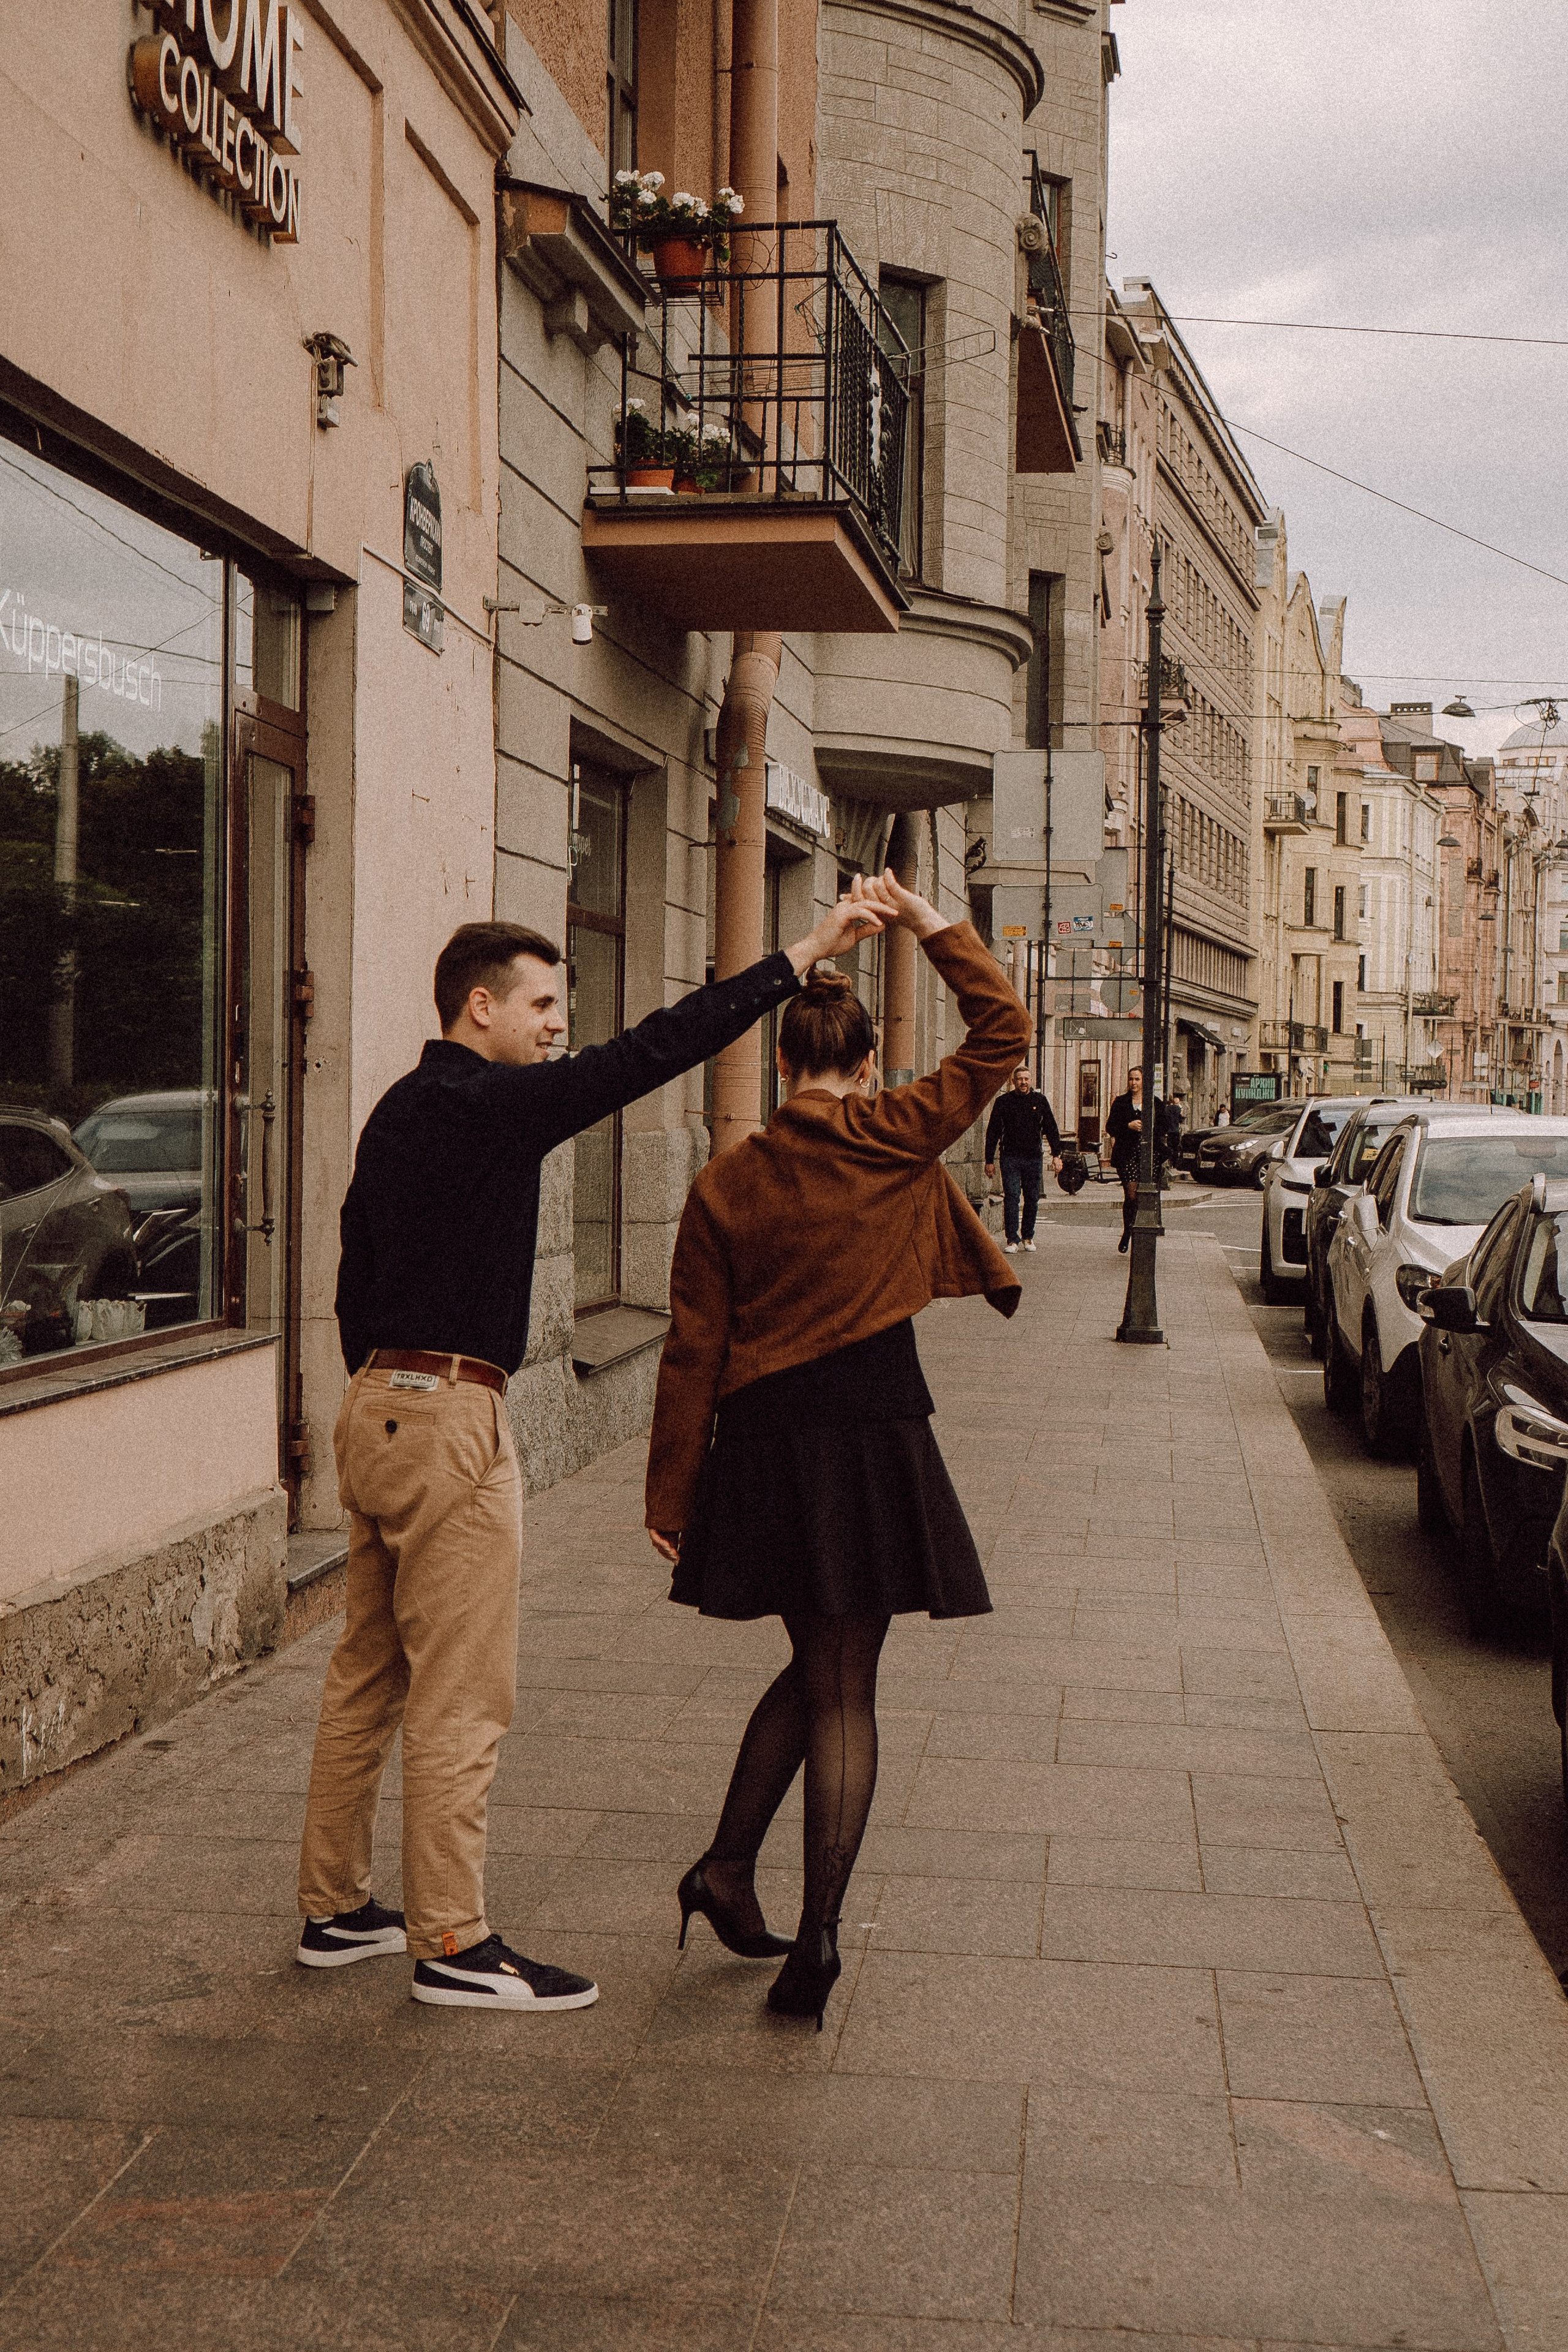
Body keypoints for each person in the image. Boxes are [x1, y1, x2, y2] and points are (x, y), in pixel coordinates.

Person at [295, 888, 886, 2011]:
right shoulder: (494, 1105)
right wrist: (800, 954)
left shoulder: (398, 1109)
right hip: (451, 1415)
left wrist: (384, 1389)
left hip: (375, 1405)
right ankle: (453, 1943)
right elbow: (657, 1050)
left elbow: (351, 1269)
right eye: (544, 1004)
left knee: (364, 1673)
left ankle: (334, 1908)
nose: (559, 1025)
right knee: (464, 1696)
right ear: (482, 1008)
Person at [644, 873, 1029, 2030]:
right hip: (872, 1432)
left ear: (778, 1067)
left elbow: (688, 1352)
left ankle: (723, 1871)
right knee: (845, 1678)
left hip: (766, 1443)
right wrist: (924, 922)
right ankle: (816, 1933)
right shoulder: (896, 1132)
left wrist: (671, 1491)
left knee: (823, 1663)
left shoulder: (727, 1181)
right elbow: (1003, 1032)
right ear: (865, 1066)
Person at [983, 1063, 1063, 1253]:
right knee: (1011, 1196)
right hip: (1010, 1157)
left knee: (1032, 1198)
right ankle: (1012, 1239)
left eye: (1026, 1079)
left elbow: (1052, 1129)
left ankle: (1028, 1237)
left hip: (1033, 1157)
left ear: (1031, 1081)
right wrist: (989, 1160)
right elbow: (992, 1132)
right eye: (1020, 1079)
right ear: (1013, 1082)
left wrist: (1056, 1155)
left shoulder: (1040, 1101)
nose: (1023, 1082)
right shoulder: (1004, 1102)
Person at [1105, 1064, 1147, 1253]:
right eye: (1131, 1079)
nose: (1134, 1083)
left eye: (1137, 1079)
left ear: (1144, 1081)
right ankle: (1127, 1231)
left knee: (1143, 1196)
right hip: (1127, 1154)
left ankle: (1139, 1232)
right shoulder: (1121, 1102)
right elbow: (1110, 1127)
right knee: (1131, 1194)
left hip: (1147, 1156)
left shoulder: (1153, 1102)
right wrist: (1128, 1126)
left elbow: (1164, 1127)